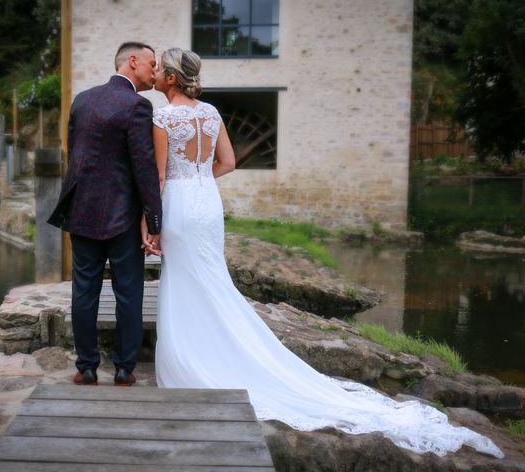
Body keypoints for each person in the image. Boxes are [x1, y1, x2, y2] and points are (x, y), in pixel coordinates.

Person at [147, 47, 504, 459]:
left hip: (177, 203)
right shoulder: (210, 113)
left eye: (159, 70)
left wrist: (152, 218)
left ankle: (198, 359)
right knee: (212, 280)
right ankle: (227, 350)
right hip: (207, 204)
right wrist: (196, 180)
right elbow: (227, 162)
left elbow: (157, 174)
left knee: (187, 279)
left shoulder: (161, 117)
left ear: (172, 78)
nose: (154, 75)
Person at [48, 42, 162, 387]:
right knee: (129, 292)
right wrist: (154, 221)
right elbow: (144, 168)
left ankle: (86, 367)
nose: (155, 72)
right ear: (132, 62)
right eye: (152, 64)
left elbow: (74, 153)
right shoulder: (137, 106)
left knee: (84, 291)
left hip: (81, 210)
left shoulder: (81, 100)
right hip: (122, 218)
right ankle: (125, 369)